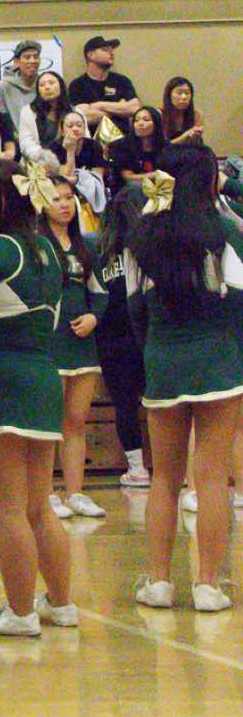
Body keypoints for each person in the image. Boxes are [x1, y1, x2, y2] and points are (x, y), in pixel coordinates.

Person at [0, 159, 77, 636]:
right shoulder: (48, 248)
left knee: (6, 508)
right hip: (44, 379)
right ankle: (61, 604)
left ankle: (21, 613)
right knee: (38, 505)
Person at [125, 143, 243, 612]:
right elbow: (239, 304)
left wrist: (155, 350)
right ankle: (208, 586)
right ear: (210, 181)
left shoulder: (141, 236)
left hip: (163, 363)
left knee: (164, 478)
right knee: (212, 480)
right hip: (219, 361)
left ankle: (159, 582)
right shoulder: (226, 232)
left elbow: (135, 309)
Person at [38, 176, 109, 522]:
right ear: (42, 204)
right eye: (56, 198)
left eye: (69, 198)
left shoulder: (86, 246)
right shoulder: (36, 247)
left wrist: (94, 317)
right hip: (49, 346)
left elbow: (100, 291)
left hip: (82, 347)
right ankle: (46, 493)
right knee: (47, 422)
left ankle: (76, 493)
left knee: (76, 422)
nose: (65, 204)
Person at [94, 186, 150, 488]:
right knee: (157, 402)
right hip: (144, 335)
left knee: (125, 403)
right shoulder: (148, 247)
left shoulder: (100, 250)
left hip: (112, 339)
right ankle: (174, 468)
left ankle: (138, 468)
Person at [65, 34, 138, 127]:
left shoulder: (122, 81)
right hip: (92, 136)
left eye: (112, 50)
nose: (111, 53)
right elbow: (84, 117)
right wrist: (120, 109)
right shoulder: (77, 85)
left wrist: (99, 105)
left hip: (123, 136)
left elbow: (134, 108)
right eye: (105, 50)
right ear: (91, 55)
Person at [18, 70, 70, 164]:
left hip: (70, 161)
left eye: (51, 83)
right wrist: (45, 157)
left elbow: (85, 138)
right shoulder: (28, 111)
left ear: (61, 86)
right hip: (38, 163)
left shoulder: (74, 111)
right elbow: (26, 143)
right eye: (42, 85)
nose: (47, 87)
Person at [109, 107, 166, 190]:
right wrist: (156, 175)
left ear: (156, 124)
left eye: (146, 120)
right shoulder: (122, 145)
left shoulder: (165, 146)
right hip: (128, 191)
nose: (140, 123)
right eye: (136, 120)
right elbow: (128, 178)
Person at [0, 40, 44, 121]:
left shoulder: (44, 85)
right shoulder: (4, 87)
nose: (32, 61)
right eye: (27, 57)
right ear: (17, 62)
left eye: (36, 57)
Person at [159, 76, 204, 145]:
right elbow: (161, 146)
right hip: (168, 151)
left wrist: (196, 136)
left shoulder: (197, 115)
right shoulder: (160, 114)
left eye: (187, 93)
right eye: (179, 93)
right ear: (169, 95)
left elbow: (196, 144)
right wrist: (185, 136)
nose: (184, 97)